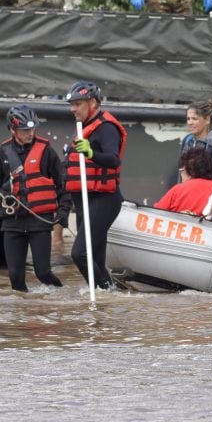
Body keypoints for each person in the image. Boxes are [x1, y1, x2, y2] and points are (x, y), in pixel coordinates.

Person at [0, 105, 72, 291]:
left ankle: (62, 301)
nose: (30, 133)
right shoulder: (1, 154)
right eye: (25, 130)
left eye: (32, 129)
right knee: (15, 277)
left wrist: (63, 210)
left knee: (43, 273)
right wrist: (3, 197)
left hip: (39, 223)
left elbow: (63, 184)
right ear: (12, 130)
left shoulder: (46, 152)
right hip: (12, 224)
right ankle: (22, 316)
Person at [62, 81, 126, 290]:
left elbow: (113, 159)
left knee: (79, 253)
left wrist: (91, 153)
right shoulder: (84, 126)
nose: (73, 109)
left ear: (92, 102)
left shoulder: (106, 128)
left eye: (78, 104)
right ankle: (105, 300)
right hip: (84, 201)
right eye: (72, 104)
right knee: (95, 259)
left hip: (103, 200)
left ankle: (106, 292)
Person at [155, 148, 212, 216]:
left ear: (190, 171)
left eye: (181, 171)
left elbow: (156, 214)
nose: (181, 177)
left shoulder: (178, 190)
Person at [180, 99, 212, 182]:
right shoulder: (187, 140)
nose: (190, 122)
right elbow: (182, 173)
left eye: (194, 119)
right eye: (188, 119)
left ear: (207, 120)